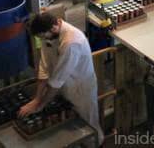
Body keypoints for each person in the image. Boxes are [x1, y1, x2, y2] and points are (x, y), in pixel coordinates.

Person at [19, 13, 103, 145]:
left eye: (42, 36)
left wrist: (41, 104)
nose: (42, 39)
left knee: (89, 126)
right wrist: (37, 99)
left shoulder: (72, 42)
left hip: (81, 90)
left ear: (53, 28)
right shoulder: (48, 35)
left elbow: (57, 80)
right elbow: (44, 68)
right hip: (62, 88)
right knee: (71, 128)